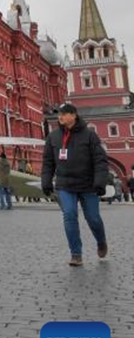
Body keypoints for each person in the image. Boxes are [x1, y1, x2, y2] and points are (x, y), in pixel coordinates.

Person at [42, 103, 109, 267]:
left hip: (88, 185)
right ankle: (76, 254)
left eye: (63, 114)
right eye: (59, 115)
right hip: (65, 185)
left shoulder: (90, 135)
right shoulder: (53, 137)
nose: (60, 117)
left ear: (74, 115)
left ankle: (101, 241)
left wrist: (100, 182)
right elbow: (48, 162)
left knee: (93, 218)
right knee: (70, 216)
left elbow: (100, 161)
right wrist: (46, 181)